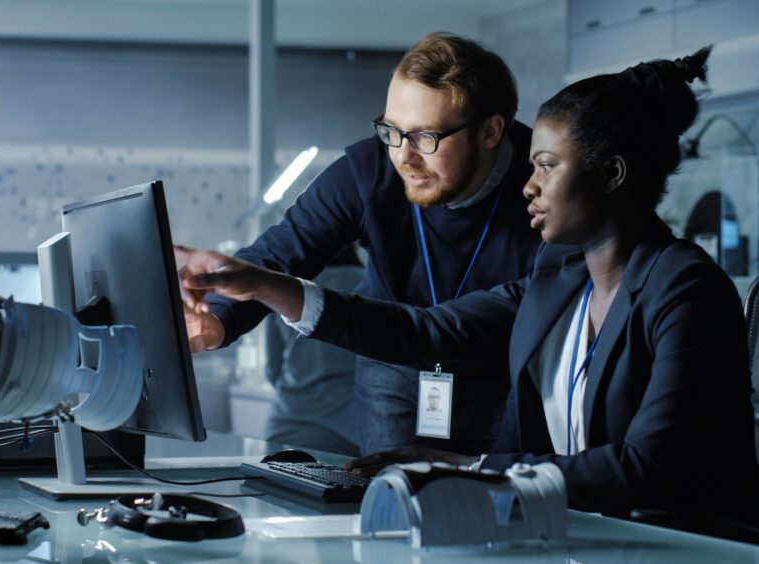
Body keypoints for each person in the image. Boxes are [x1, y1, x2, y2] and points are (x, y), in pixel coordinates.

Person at [177, 47, 759, 528]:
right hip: (594, 527)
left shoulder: (684, 288)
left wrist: (472, 465)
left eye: (545, 166)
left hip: (688, 544)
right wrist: (254, 289)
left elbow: (649, 468)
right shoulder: (562, 279)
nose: (528, 186)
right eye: (393, 131)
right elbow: (428, 331)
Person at [183, 32, 542, 456]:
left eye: (425, 138)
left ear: (490, 132)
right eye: (392, 130)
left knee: (496, 511)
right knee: (392, 505)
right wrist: (217, 320)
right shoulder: (369, 169)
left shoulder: (542, 184)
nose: (403, 157)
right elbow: (279, 253)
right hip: (391, 365)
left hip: (498, 370)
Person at [263, 246, 365, 455]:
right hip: (350, 431)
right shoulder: (367, 283)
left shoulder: (286, 289)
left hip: (287, 424)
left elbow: (273, 370)